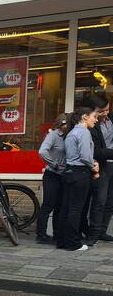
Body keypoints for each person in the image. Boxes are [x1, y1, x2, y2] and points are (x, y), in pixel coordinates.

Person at [57, 107, 100, 251]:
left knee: (66, 209)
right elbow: (85, 155)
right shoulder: (83, 132)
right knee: (75, 210)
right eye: (94, 116)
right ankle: (73, 243)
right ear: (84, 117)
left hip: (69, 172)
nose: (96, 119)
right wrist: (93, 166)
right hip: (80, 173)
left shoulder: (71, 132)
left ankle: (62, 241)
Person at [84, 94, 113, 245]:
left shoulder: (110, 119)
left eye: (107, 110)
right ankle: (93, 234)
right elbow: (95, 151)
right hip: (100, 165)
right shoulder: (91, 125)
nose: (105, 113)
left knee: (110, 201)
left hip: (112, 165)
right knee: (99, 201)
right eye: (102, 111)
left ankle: (102, 231)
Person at [37, 113, 70, 244]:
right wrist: (54, 164)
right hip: (52, 175)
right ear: (60, 124)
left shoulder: (69, 136)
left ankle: (57, 234)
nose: (68, 126)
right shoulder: (54, 135)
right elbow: (42, 151)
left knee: (60, 206)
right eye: (66, 124)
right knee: (48, 205)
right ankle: (41, 235)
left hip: (64, 175)